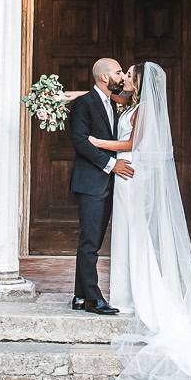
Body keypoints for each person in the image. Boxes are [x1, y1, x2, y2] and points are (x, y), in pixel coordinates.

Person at [82, 61, 191, 380]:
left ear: (139, 81)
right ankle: (125, 294)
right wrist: (67, 95)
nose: (124, 78)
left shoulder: (146, 109)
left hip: (130, 173)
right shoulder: (133, 104)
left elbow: (133, 145)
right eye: (122, 74)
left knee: (136, 235)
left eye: (129, 75)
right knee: (125, 235)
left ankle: (141, 295)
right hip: (124, 178)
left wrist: (96, 142)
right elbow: (102, 96)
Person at [64, 56, 133, 315]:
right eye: (118, 72)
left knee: (91, 240)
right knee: (90, 242)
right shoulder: (84, 104)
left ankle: (80, 296)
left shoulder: (113, 102)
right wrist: (111, 164)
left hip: (106, 183)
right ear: (105, 77)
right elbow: (80, 142)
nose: (122, 76)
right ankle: (94, 299)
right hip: (91, 182)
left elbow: (130, 91)